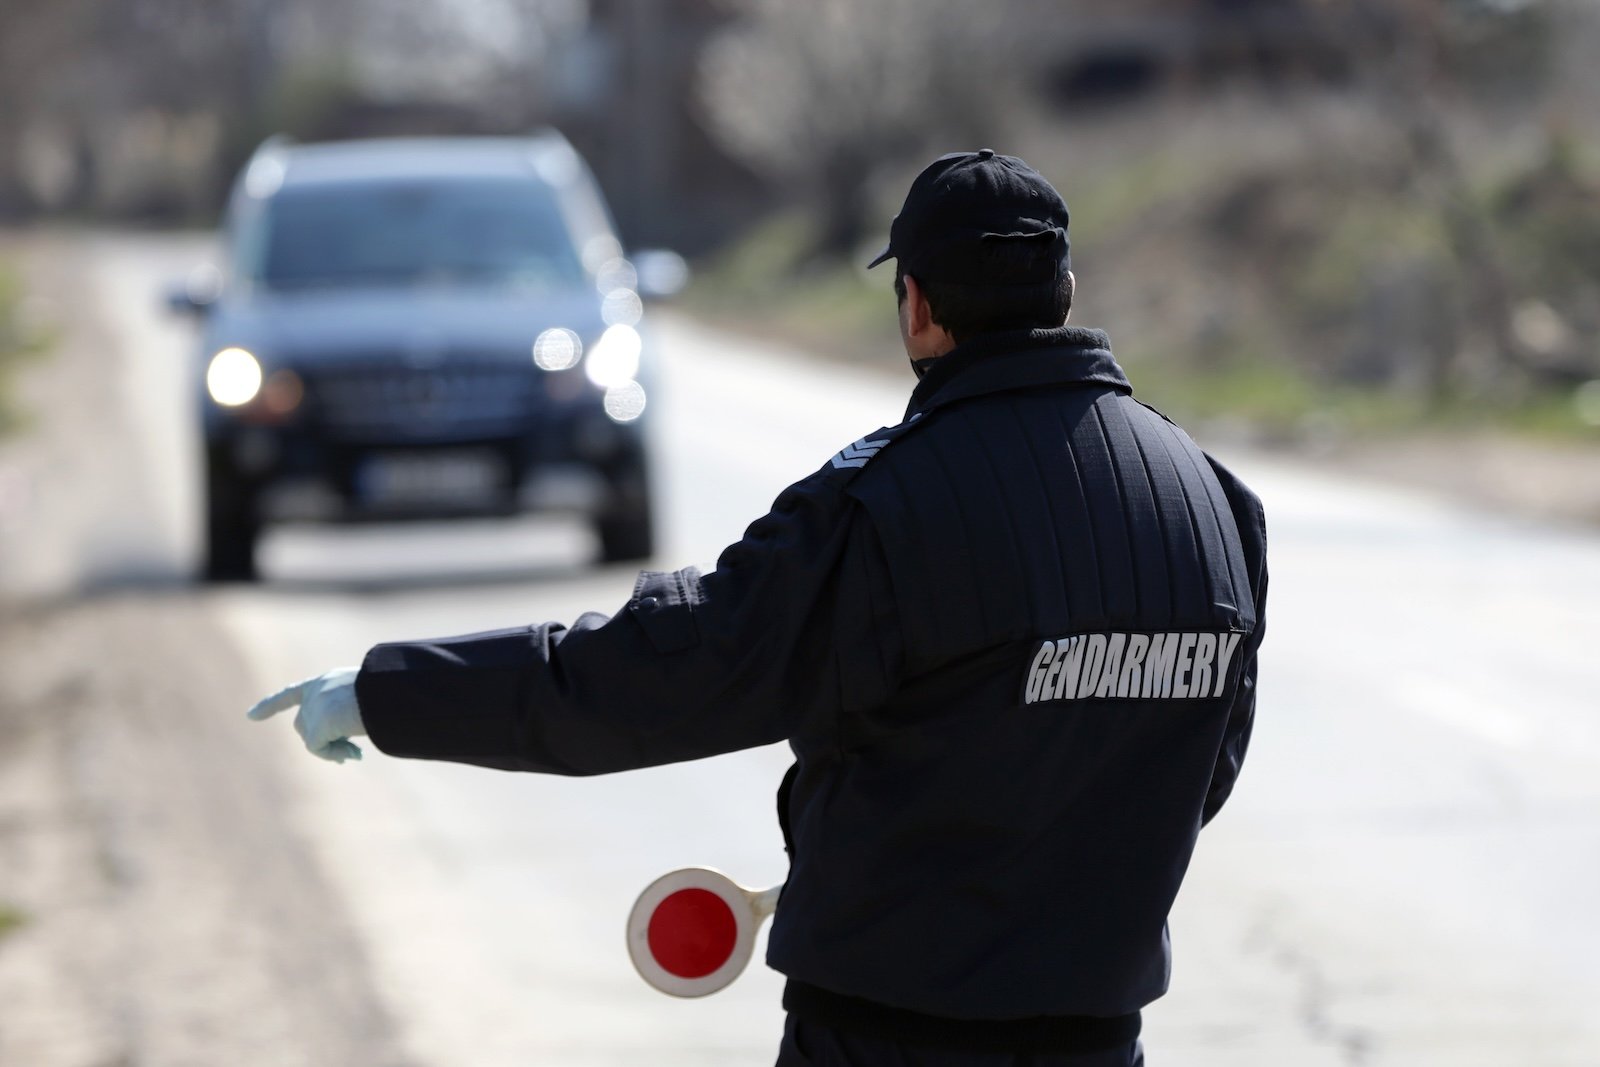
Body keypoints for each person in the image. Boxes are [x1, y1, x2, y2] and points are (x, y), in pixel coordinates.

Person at [249, 150, 1268, 1066]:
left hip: (883, 1038)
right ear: (1065, 290)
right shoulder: (1213, 498)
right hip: (1101, 1038)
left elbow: (649, 675)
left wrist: (390, 693)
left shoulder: (881, 508)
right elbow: (1196, 769)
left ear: (916, 306)